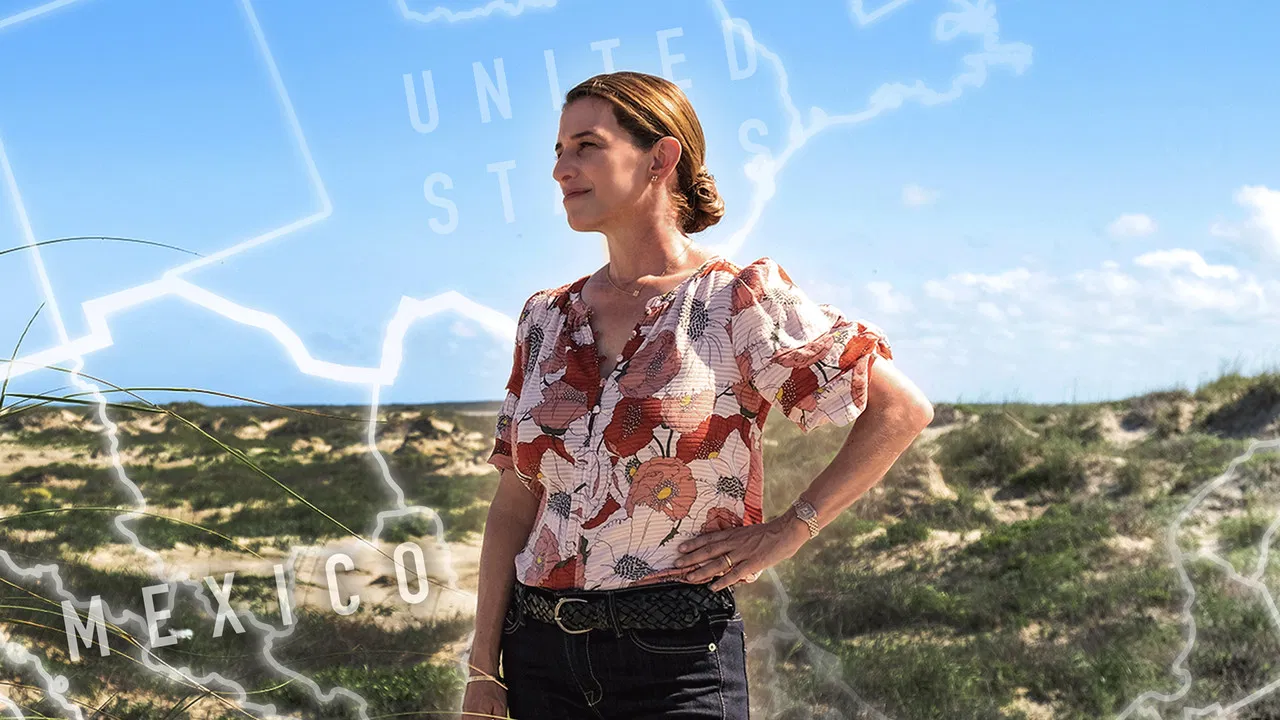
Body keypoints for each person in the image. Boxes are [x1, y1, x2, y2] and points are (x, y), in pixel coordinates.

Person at [460, 71, 934, 719]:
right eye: (559, 150)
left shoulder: (737, 300)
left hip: (675, 658)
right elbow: (516, 502)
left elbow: (901, 410)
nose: (560, 168)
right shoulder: (544, 318)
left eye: (586, 146)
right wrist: (482, 667)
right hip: (538, 654)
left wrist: (791, 529)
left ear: (661, 158)